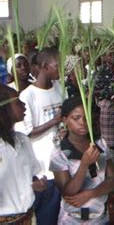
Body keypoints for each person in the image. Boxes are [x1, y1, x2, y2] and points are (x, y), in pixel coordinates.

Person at [50, 97, 114, 224]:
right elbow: (68, 192)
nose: (83, 122)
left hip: (100, 218)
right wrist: (84, 164)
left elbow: (113, 180)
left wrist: (92, 193)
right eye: (76, 118)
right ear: (65, 120)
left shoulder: (100, 144)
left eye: (86, 117)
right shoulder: (60, 152)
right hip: (73, 220)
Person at [15, 47, 64, 224]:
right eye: (58, 65)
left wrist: (63, 125)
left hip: (62, 163)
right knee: (47, 216)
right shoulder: (28, 95)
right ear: (44, 66)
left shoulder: (60, 88)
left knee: (60, 214)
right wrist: (55, 121)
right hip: (44, 167)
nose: (62, 70)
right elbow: (27, 132)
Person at [0, 85, 47, 224]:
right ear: (3, 109)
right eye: (18, 102)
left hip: (28, 218)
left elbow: (33, 174)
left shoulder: (23, 140)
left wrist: (37, 183)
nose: (24, 105)